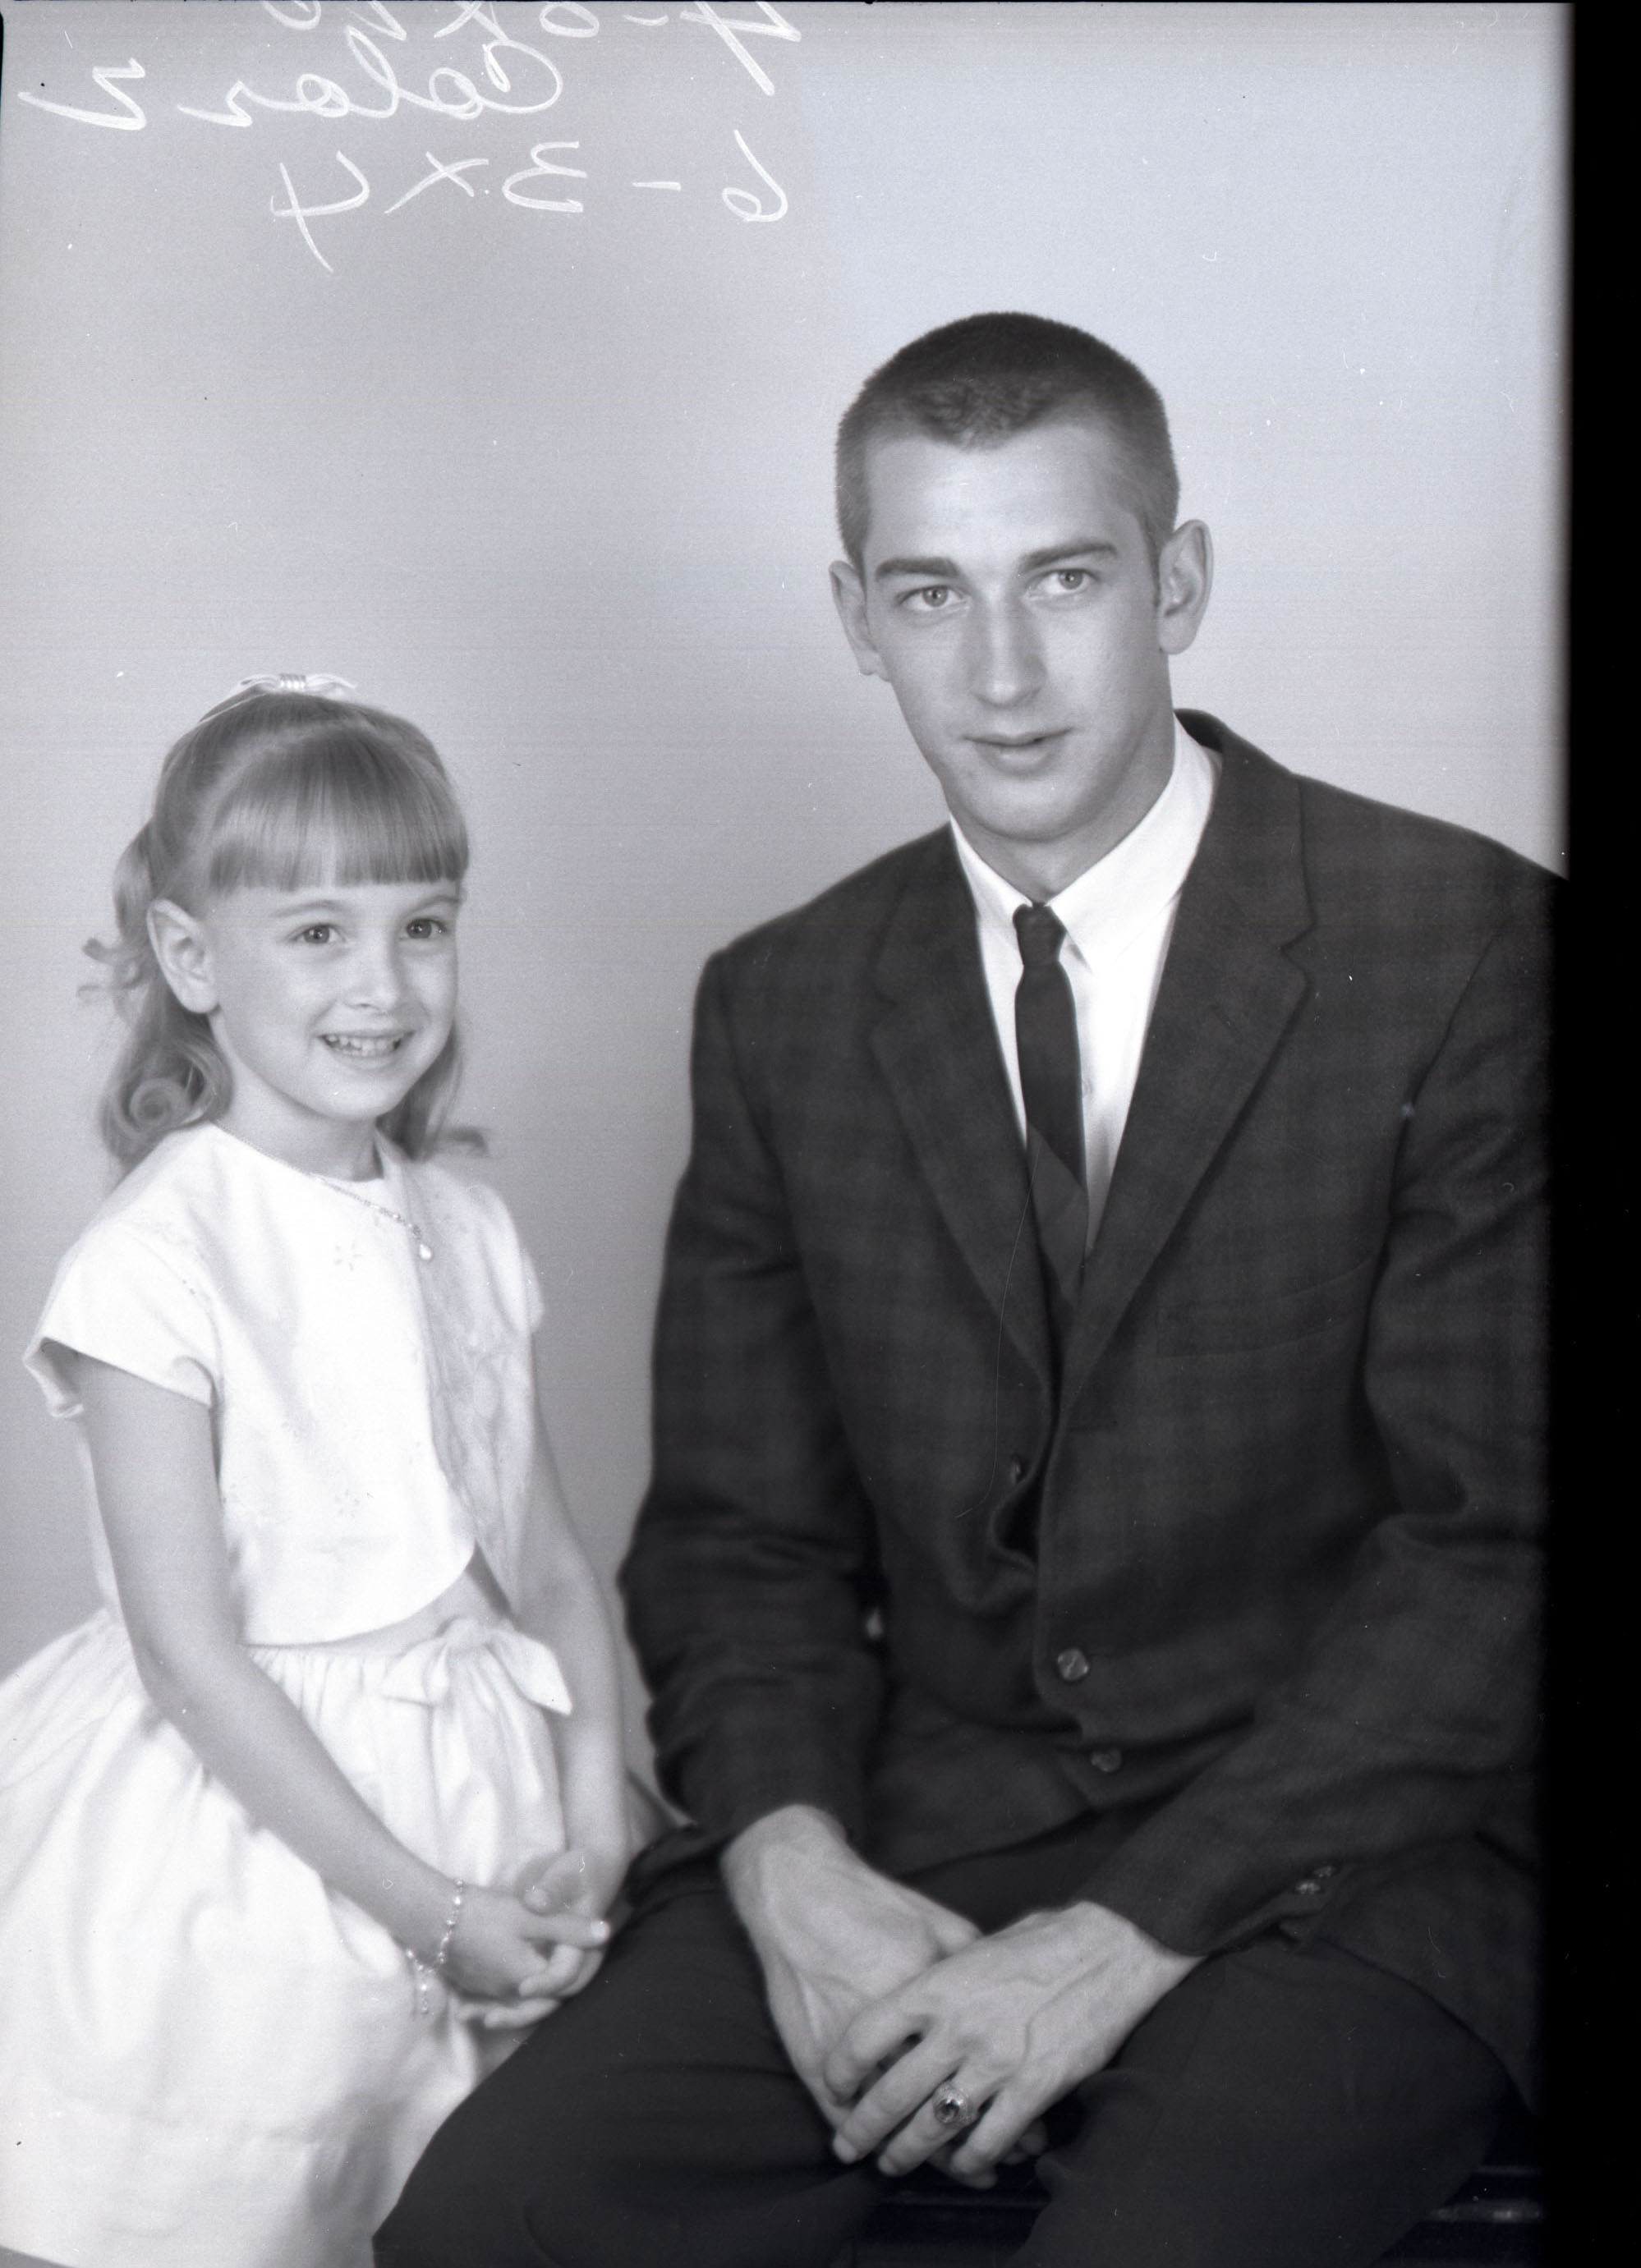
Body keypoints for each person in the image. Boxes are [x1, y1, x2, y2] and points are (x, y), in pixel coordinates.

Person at [380, 312, 1548, 2267]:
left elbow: (1500, 1552)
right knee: (488, 2230)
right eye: (932, 593)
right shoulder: (784, 1002)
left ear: (1177, 582)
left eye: (1063, 580)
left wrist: (1123, 1936)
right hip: (926, 1824)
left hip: (1362, 1859)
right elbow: (741, 1539)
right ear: (859, 616)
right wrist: (790, 1870)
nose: (1000, 674)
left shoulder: (1472, 946)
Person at [0, 681, 632, 2268]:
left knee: (452, 2216)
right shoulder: (161, 1253)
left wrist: (596, 1814)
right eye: (318, 932)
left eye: (423, 926)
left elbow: (551, 1568)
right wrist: (429, 1911)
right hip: (254, 1831)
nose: (383, 982)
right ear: (190, 957)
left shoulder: (466, 1223)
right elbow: (189, 1659)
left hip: (482, 1798)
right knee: (246, 2209)